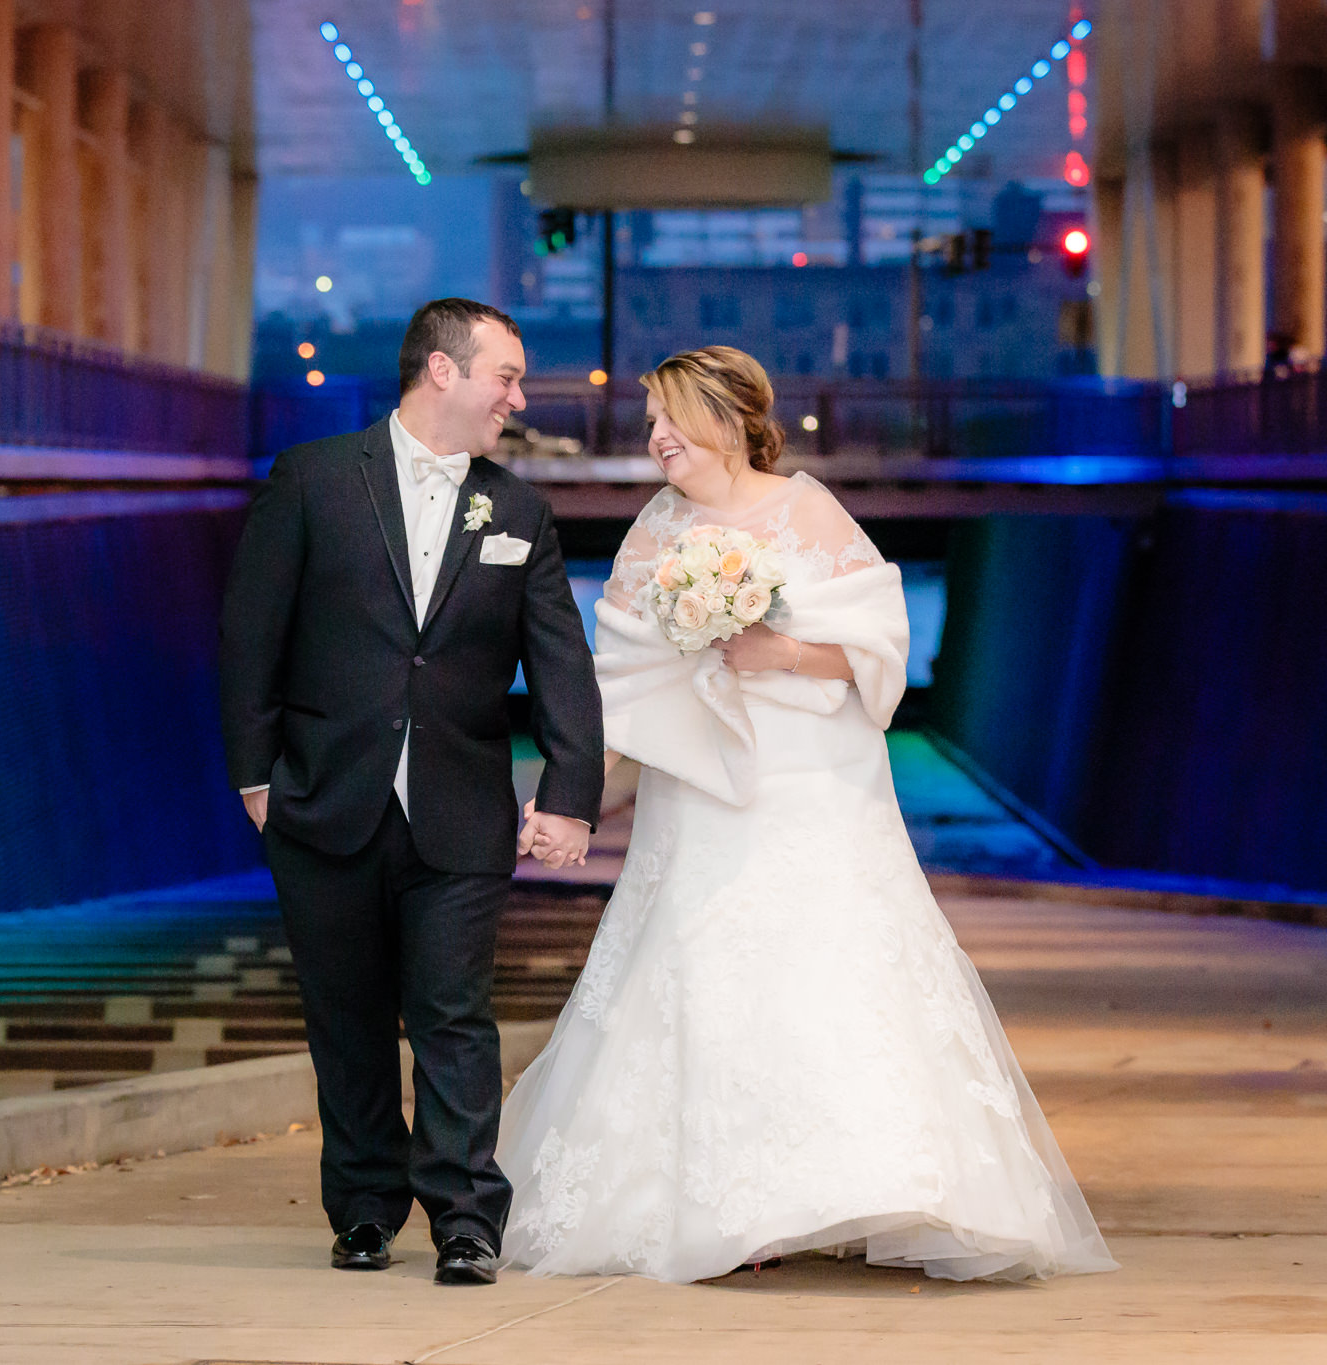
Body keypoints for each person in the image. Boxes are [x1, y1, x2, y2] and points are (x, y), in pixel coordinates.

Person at [502, 345, 1117, 1283]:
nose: (655, 438)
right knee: (703, 967)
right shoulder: (655, 529)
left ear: (724, 419)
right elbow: (615, 680)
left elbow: (878, 647)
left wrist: (779, 650)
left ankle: (862, 1185)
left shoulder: (808, 509)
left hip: (815, 783)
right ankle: (732, 1209)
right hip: (702, 793)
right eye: (652, 422)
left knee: (834, 969)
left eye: (669, 418)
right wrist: (568, 795)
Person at [220, 298, 604, 1285]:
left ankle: (465, 1217)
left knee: (451, 1012)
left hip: (460, 810)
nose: (516, 399)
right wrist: (255, 778)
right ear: (441, 370)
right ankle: (359, 1209)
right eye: (505, 377)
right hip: (319, 801)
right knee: (341, 1017)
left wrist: (568, 792)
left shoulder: (516, 510)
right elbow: (248, 636)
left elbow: (558, 664)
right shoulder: (311, 482)